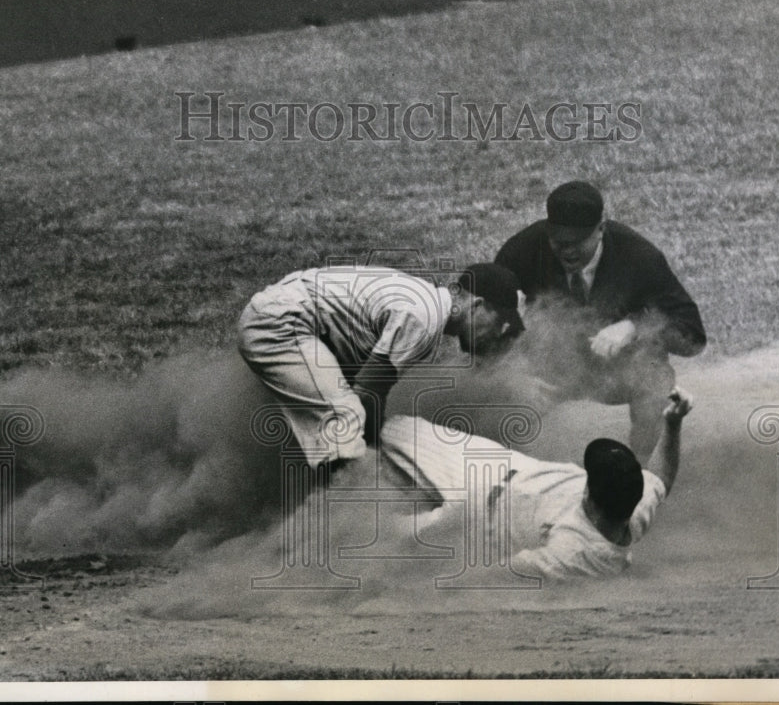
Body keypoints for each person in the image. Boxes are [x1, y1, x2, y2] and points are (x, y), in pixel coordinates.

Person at [380, 387, 694, 582]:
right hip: (504, 465)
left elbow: (496, 575)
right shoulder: (633, 505)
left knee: (385, 538)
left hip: (472, 517)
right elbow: (661, 479)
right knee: (394, 428)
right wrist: (673, 422)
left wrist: (437, 576)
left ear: (590, 495)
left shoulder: (578, 555)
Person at [238, 262, 525, 468]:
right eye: (499, 321)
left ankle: (311, 486)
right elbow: (368, 392)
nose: (497, 332)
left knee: (347, 414)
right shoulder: (422, 317)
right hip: (280, 324)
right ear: (477, 305)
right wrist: (376, 456)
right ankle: (341, 522)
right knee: (346, 419)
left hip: (288, 316)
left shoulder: (426, 305)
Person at [494, 180, 706, 457]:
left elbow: (693, 336)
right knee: (495, 393)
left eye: (577, 242)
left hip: (617, 370)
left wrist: (633, 327)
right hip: (549, 371)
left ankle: (644, 473)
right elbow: (484, 327)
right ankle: (506, 477)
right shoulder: (520, 253)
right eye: (559, 241)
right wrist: (514, 376)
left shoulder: (639, 257)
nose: (567, 251)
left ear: (601, 229)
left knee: (654, 379)